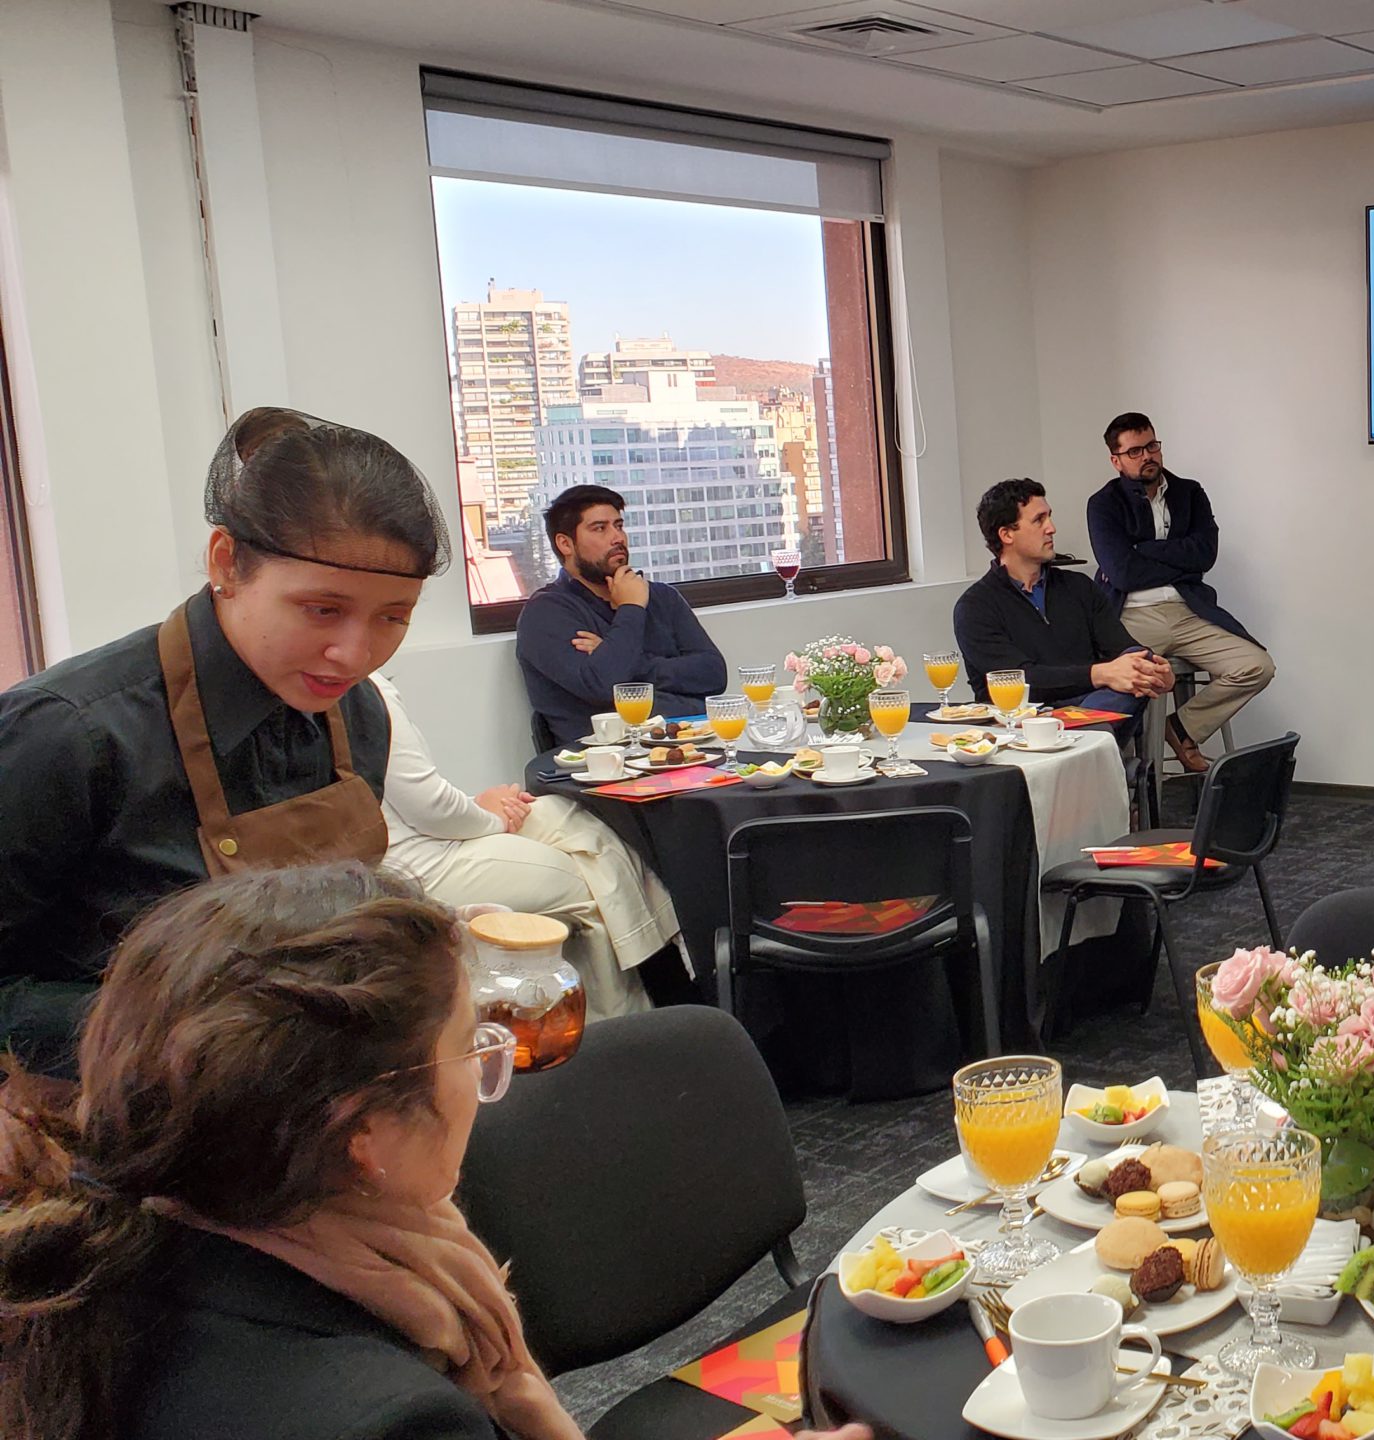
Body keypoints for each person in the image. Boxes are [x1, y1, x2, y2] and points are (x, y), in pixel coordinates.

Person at [0, 865, 876, 1440]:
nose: (486, 1076)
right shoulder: (391, 1415)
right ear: (366, 1138)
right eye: (471, 1046)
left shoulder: (104, 1278)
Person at [0, 407, 446, 1072]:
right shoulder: (70, 734)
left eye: (392, 618)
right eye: (322, 609)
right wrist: (175, 1032)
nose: (355, 654)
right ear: (226, 563)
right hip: (108, 1112)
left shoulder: (359, 720)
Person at [375, 675, 674, 1018]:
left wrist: (486, 804)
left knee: (573, 814)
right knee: (593, 880)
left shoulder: (357, 687)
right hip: (421, 861)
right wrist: (494, 817)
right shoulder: (369, 691)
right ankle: (622, 1020)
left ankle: (658, 956)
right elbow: (430, 809)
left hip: (425, 837)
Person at [1085, 413, 1274, 772]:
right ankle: (1130, 787)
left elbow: (1205, 555)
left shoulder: (1190, 492)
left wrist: (1144, 548)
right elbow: (1122, 572)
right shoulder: (1103, 503)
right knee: (1127, 684)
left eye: (1152, 446)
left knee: (1257, 666)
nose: (1148, 456)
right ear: (1116, 460)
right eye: (1135, 451)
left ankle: (1182, 728)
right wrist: (1177, 556)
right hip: (1133, 616)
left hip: (1189, 611)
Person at [515, 485, 727, 750]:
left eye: (619, 525)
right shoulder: (547, 612)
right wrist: (631, 609)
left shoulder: (661, 597)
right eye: (600, 528)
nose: (617, 538)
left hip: (692, 745)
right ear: (565, 543)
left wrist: (633, 665)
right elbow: (605, 687)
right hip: (604, 762)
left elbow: (713, 674)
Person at [955, 479, 1173, 716]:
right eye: (1039, 520)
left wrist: (1153, 667)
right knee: (1113, 696)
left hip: (1095, 701)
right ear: (1007, 534)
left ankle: (1080, 733)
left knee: (1128, 688)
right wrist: (1100, 674)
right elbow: (1018, 680)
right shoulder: (975, 607)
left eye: (1049, 517)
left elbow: (1122, 647)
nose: (1051, 528)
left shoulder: (1079, 586)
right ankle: (1080, 734)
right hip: (1022, 720)